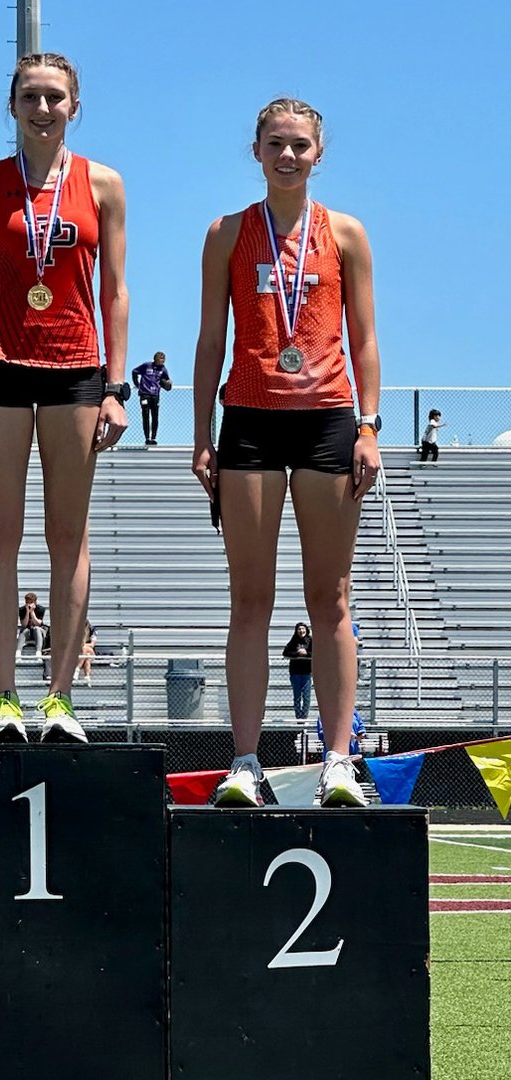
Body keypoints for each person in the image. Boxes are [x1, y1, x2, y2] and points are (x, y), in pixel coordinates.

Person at [192, 97, 380, 809]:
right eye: (275, 143)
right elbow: (210, 338)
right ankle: (244, 761)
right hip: (248, 419)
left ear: (318, 153)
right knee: (250, 598)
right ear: (256, 150)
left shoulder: (347, 234)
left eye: (300, 144)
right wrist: (201, 436)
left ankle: (337, 760)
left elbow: (362, 338)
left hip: (328, 418)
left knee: (328, 599)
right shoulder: (227, 233)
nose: (288, 155)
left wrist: (368, 424)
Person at [0, 51, 128, 744]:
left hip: (77, 369)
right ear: (13, 105)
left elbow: (113, 290)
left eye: (55, 97)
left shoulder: (103, 183)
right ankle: (2, 696)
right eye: (30, 96)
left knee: (67, 537)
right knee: (0, 535)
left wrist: (114, 387)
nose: (43, 108)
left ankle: (57, 698)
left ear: (73, 106)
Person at [132, 352, 172, 445]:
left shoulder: (163, 369)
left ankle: (153, 438)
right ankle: (147, 437)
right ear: (156, 359)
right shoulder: (147, 366)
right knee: (145, 415)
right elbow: (134, 371)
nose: (162, 361)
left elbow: (167, 380)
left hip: (155, 395)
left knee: (155, 416)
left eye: (163, 359)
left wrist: (168, 383)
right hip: (145, 394)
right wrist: (137, 384)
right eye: (160, 359)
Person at [282, 621, 313, 720]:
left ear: (306, 630)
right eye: (299, 629)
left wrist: (306, 653)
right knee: (297, 697)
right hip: (295, 673)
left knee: (307, 697)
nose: (301, 631)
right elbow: (285, 653)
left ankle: (304, 717)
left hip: (306, 673)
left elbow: (316, 652)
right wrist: (297, 653)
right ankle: (298, 717)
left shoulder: (310, 640)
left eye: (303, 629)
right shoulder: (293, 641)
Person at [16, 591, 47, 659]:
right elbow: (24, 625)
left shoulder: (40, 609)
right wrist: (27, 612)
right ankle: (18, 652)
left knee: (37, 629)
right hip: (28, 632)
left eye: (31, 602)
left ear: (35, 602)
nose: (29, 604)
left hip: (39, 632)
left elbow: (38, 623)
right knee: (24, 630)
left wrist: (32, 612)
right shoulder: (22, 610)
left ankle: (38, 652)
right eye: (27, 602)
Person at [74, 618, 97, 685]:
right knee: (87, 657)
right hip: (79, 653)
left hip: (90, 651)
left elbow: (92, 645)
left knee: (84, 648)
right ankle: (87, 677)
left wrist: (82, 645)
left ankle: (77, 669)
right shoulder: (76, 630)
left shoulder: (92, 629)